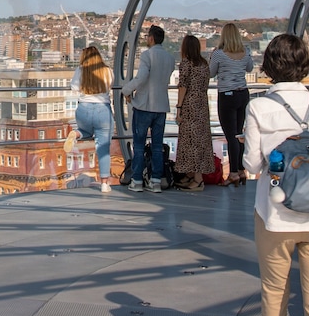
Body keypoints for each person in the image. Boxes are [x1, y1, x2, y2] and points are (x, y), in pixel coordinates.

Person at [243, 33, 309, 316]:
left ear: (269, 66)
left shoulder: (259, 107)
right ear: (305, 65)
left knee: (274, 294)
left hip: (276, 215)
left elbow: (252, 165)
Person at [122, 25, 175, 193]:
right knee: (157, 145)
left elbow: (142, 77)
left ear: (151, 38)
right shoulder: (170, 58)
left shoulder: (147, 55)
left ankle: (137, 180)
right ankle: (156, 180)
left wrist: (127, 90)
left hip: (144, 105)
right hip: (161, 106)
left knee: (139, 144)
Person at [210, 22, 254, 186]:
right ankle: (241, 170)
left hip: (227, 95)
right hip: (243, 94)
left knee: (231, 136)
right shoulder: (246, 52)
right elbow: (250, 68)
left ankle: (233, 173)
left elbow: (210, 73)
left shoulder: (218, 54)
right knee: (239, 133)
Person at [66, 46, 114, 193]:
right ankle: (104, 183)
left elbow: (74, 87)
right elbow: (110, 84)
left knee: (86, 130)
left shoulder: (80, 70)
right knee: (103, 147)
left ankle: (77, 133)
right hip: (103, 109)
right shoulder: (107, 70)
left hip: (84, 108)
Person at [173, 35, 215, 192]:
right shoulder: (204, 64)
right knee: (200, 140)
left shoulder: (186, 63)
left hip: (190, 105)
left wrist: (179, 107)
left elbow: (183, 86)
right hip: (202, 105)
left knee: (190, 141)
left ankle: (197, 179)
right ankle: (191, 174)